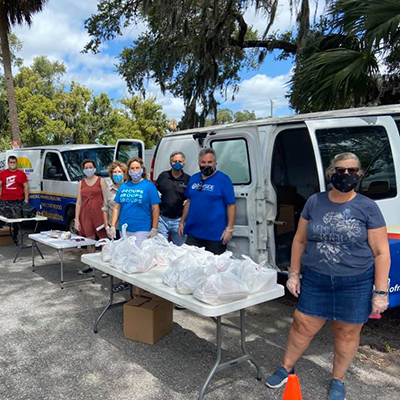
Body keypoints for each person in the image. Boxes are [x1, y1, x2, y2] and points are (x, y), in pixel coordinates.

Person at [265, 153, 391, 400]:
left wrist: (380, 291)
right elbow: (299, 240)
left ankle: (338, 379)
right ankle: (286, 367)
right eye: (340, 170)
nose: (346, 175)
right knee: (302, 325)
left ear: (359, 174)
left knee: (346, 332)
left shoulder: (368, 207)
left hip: (355, 282)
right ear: (331, 173)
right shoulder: (315, 202)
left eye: (352, 171)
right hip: (317, 279)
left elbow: (381, 251)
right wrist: (293, 274)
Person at [110, 157, 160, 296]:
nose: (135, 171)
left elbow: (155, 208)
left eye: (137, 168)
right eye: (132, 168)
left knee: (138, 262)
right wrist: (112, 226)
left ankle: (138, 294)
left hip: (141, 230)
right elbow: (117, 207)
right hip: (125, 230)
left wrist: (154, 228)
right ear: (128, 171)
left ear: (142, 169)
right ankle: (130, 290)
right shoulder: (123, 186)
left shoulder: (149, 186)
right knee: (126, 259)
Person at [178, 148, 236, 255]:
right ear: (199, 163)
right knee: (191, 263)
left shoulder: (224, 180)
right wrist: (182, 222)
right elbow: (189, 201)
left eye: (209, 162)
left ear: (215, 163)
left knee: (214, 265)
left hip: (215, 235)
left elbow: (231, 205)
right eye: (203, 162)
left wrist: (229, 229)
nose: (206, 165)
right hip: (193, 233)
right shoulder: (193, 179)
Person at [75, 159, 108, 275]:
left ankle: (105, 266)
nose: (88, 169)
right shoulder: (81, 183)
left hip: (99, 213)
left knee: (103, 239)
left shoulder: (101, 181)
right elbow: (78, 202)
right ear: (83, 170)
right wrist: (77, 219)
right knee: (89, 239)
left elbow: (106, 199)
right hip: (86, 213)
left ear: (94, 168)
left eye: (90, 167)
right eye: (86, 168)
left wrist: (107, 215)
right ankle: (90, 264)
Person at [156, 151, 190, 246]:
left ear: (184, 163)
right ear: (171, 162)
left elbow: (190, 199)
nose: (177, 163)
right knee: (161, 248)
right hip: (162, 219)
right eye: (175, 161)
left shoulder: (188, 179)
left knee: (180, 249)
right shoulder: (163, 176)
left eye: (180, 161)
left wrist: (182, 222)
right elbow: (155, 192)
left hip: (179, 220)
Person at [0, 155, 29, 244]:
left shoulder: (21, 174)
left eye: (14, 162)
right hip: (5, 201)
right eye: (11, 162)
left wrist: (26, 199)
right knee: (2, 220)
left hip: (18, 201)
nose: (12, 164)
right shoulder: (2, 173)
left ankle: (15, 237)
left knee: (16, 222)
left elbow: (26, 186)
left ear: (16, 163)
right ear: (8, 163)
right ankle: (3, 238)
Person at [103, 160, 127, 241]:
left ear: (124, 174)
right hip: (114, 228)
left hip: (127, 228)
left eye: (119, 172)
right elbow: (105, 209)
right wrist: (107, 227)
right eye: (114, 172)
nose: (117, 174)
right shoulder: (109, 190)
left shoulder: (129, 188)